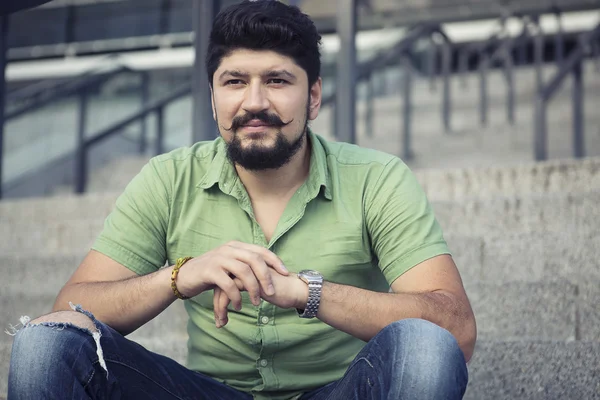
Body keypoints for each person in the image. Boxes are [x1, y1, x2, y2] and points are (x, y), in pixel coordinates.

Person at [8, 1, 476, 399]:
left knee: (424, 348)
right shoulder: (169, 178)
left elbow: (454, 327)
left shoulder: (378, 179)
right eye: (234, 82)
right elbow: (71, 312)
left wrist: (306, 293)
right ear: (213, 100)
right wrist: (179, 276)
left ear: (313, 97)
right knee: (46, 342)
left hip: (343, 389)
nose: (253, 102)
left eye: (276, 80)